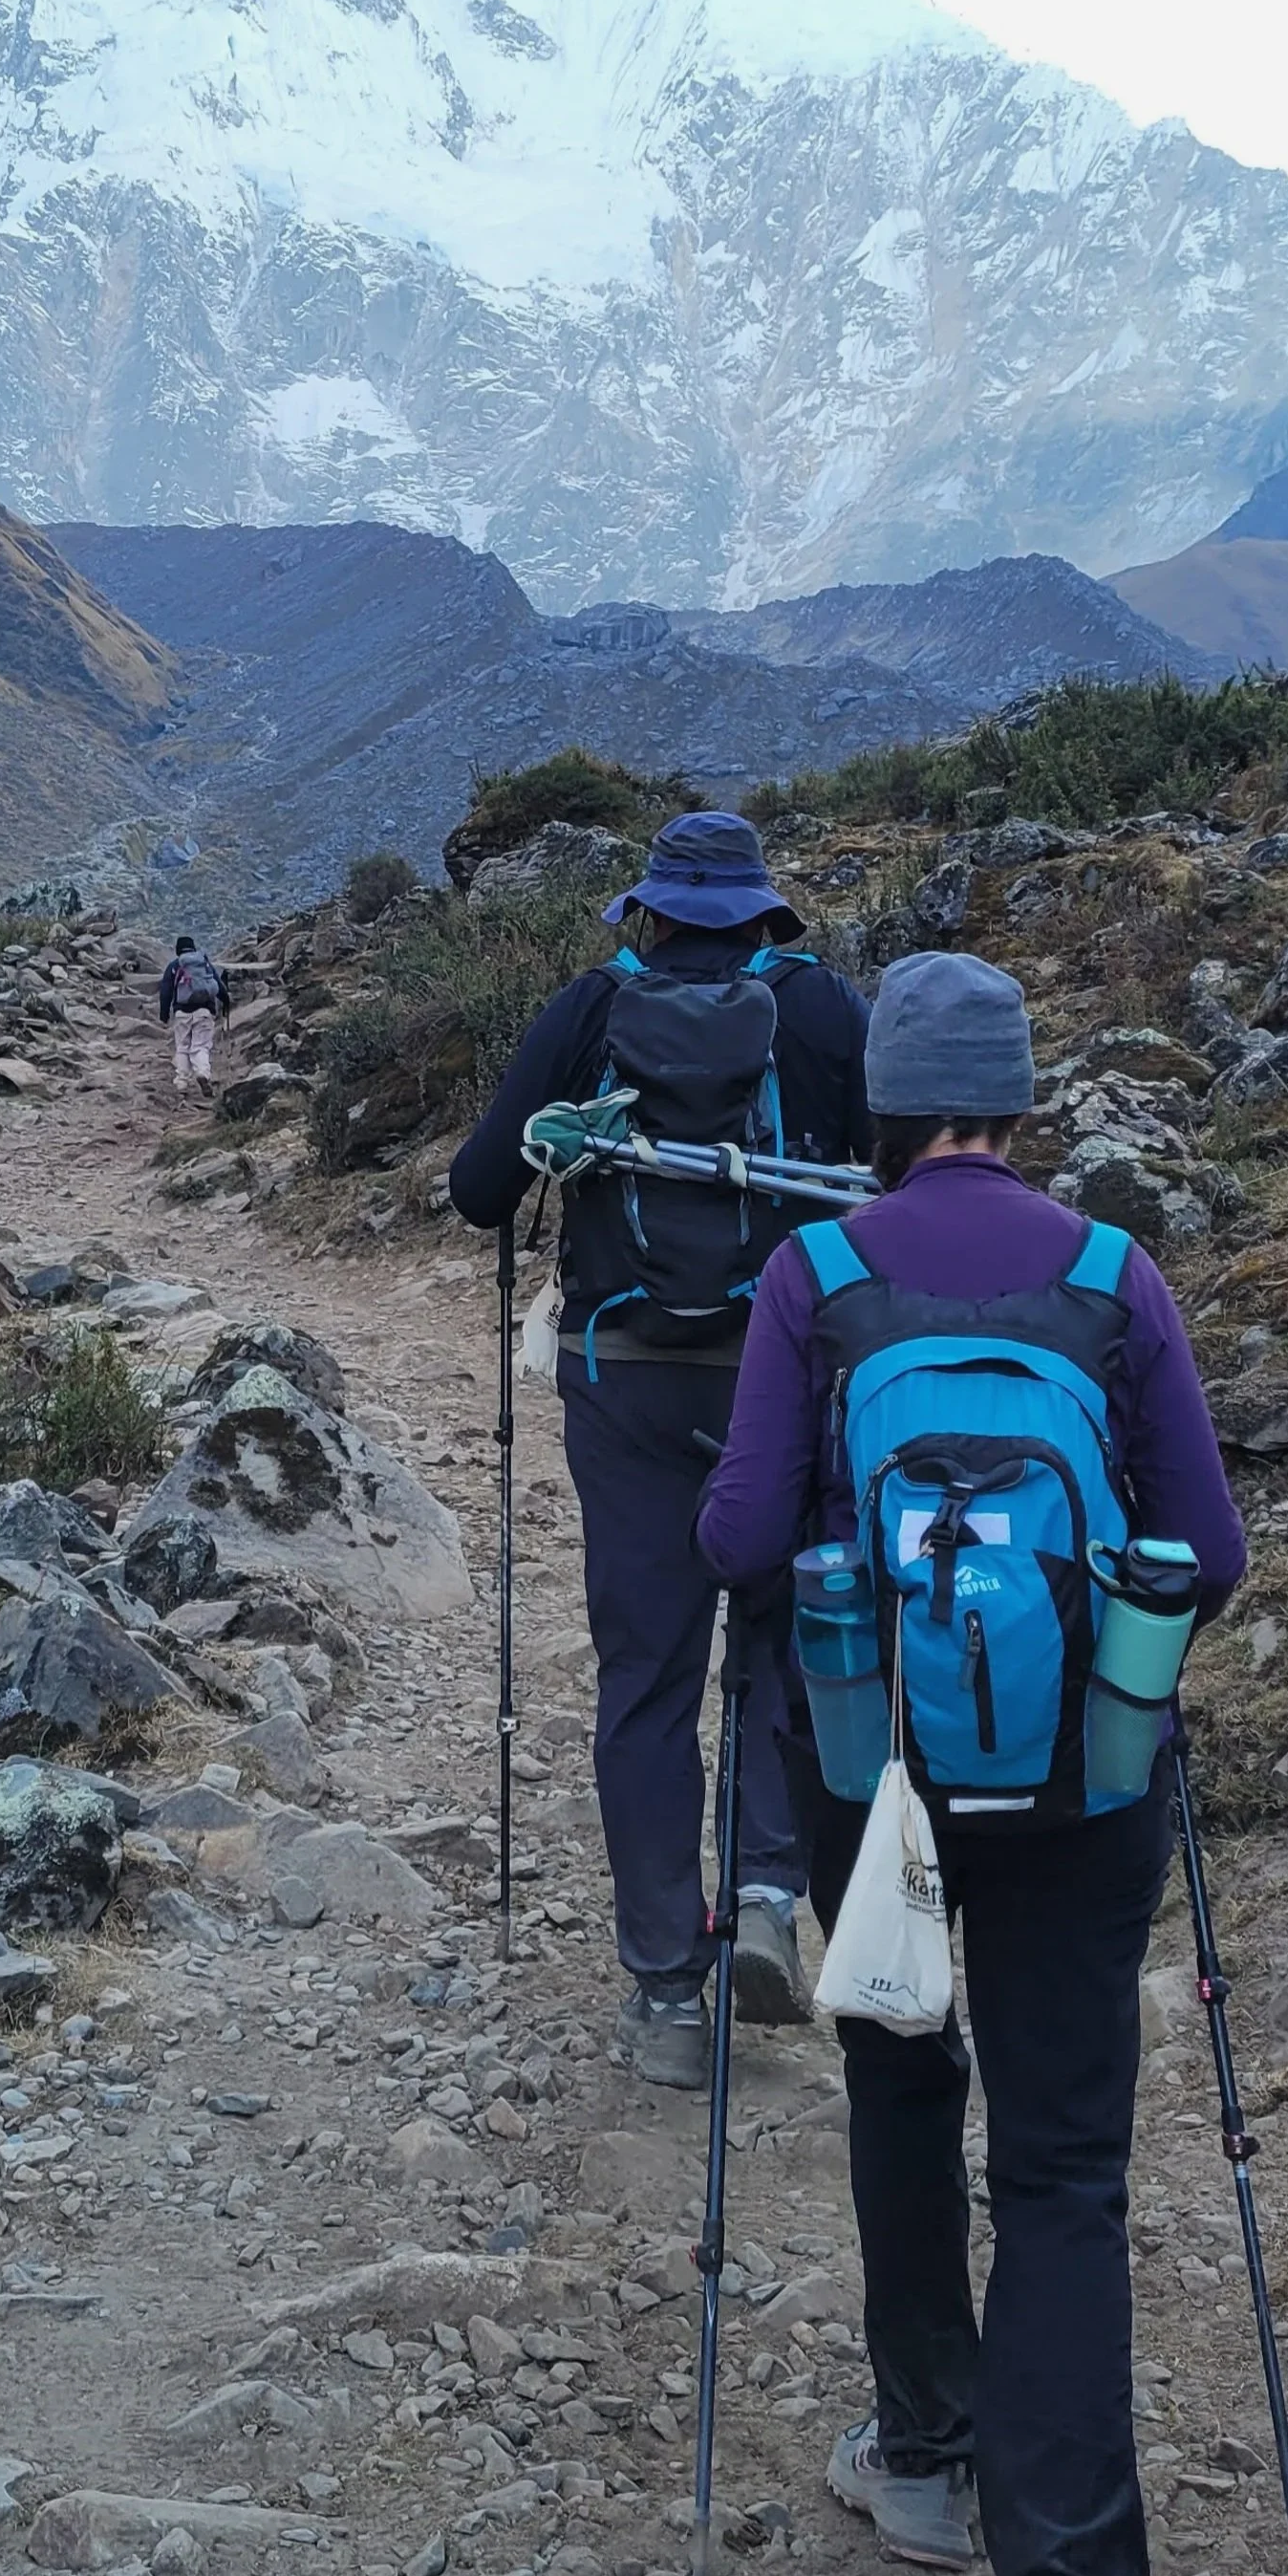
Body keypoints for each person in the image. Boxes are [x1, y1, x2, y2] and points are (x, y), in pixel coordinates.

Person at [696, 951, 1246, 2576]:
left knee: (906, 2100)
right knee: (1070, 2176)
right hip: (1086, 1780)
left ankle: (924, 2458)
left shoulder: (817, 1272)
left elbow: (733, 1532)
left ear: (880, 1104)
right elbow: (1211, 1548)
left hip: (881, 1789)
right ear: (1019, 1095)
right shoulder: (1111, 1274)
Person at [447, 811, 872, 2087]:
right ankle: (760, 1898)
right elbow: (897, 1181)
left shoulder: (592, 1011)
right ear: (759, 912)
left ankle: (663, 1994)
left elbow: (477, 1189)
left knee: (646, 1672)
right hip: (782, 1381)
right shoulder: (821, 1014)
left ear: (649, 910)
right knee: (781, 1644)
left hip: (624, 1385)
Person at [159, 934, 225, 1094]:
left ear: (178, 950)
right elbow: (218, 985)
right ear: (193, 948)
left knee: (182, 1047)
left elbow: (166, 991)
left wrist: (164, 1014)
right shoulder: (204, 963)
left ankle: (182, 1082)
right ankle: (203, 1073)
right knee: (200, 1046)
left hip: (182, 1012)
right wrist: (226, 1000)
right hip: (204, 1011)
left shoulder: (174, 966)